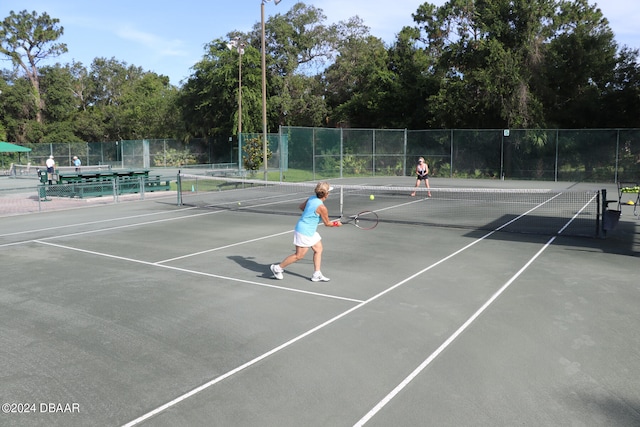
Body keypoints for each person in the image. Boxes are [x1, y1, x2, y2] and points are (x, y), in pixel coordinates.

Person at [270, 182, 341, 282]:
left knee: (318, 249)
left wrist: (310, 215)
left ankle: (317, 274)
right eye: (329, 192)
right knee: (299, 255)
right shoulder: (322, 208)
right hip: (304, 231)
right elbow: (327, 223)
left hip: (309, 230)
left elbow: (302, 207)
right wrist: (336, 224)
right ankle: (277, 268)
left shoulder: (311, 198)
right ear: (326, 194)